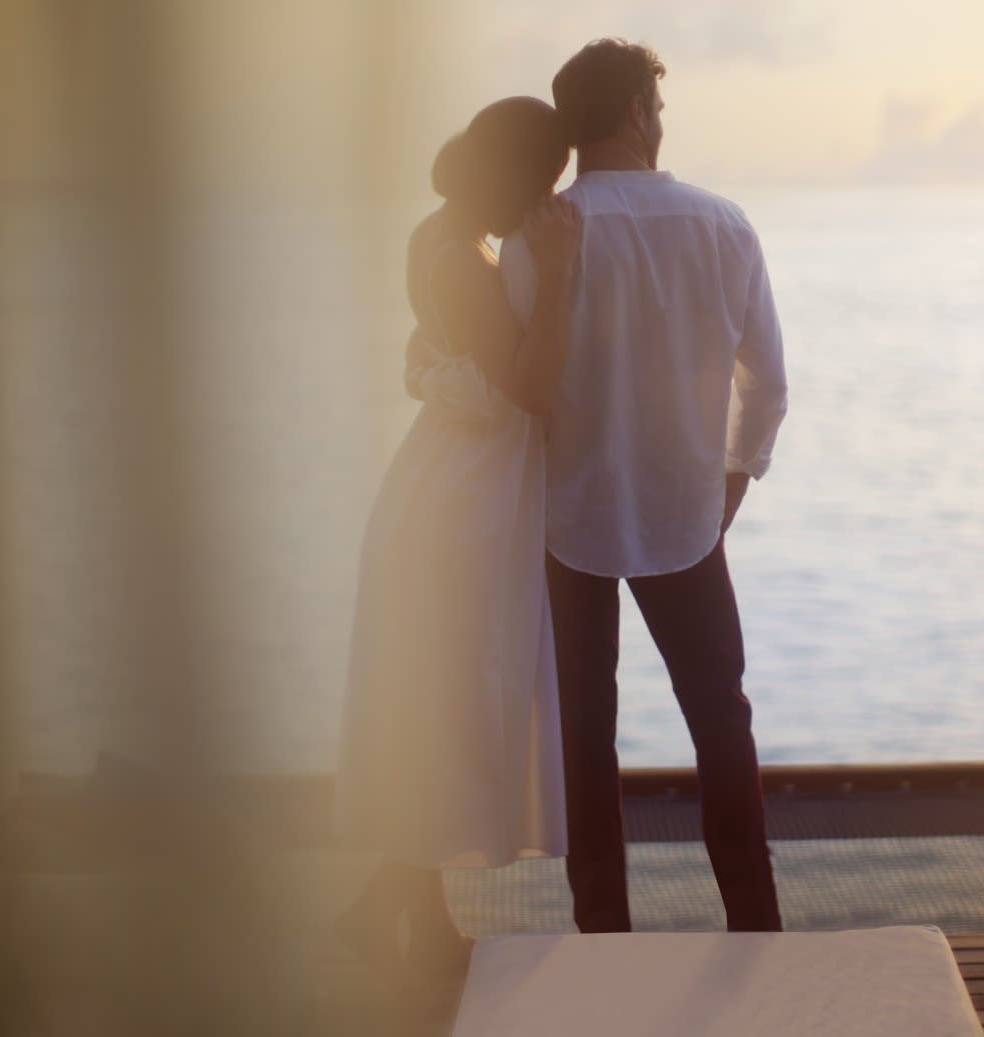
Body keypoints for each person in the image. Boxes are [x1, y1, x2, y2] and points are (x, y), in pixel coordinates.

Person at [501, 38, 789, 933]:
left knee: (586, 735)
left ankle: (604, 939)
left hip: (567, 521)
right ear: (635, 111)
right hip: (684, 520)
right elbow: (767, 383)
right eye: (656, 109)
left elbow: (521, 388)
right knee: (720, 719)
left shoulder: (533, 235)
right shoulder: (722, 224)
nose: (659, 124)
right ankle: (754, 923)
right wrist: (733, 480)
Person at [335, 96, 581, 965]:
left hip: (445, 482)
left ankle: (401, 914)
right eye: (547, 179)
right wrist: (556, 272)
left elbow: (441, 357)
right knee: (450, 694)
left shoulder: (439, 238)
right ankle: (401, 919)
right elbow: (532, 387)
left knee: (436, 695)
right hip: (462, 504)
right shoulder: (466, 265)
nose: (551, 197)